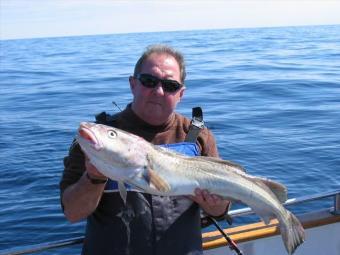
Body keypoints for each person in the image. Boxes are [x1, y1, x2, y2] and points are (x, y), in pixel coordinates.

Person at [60, 44, 230, 255]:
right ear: (133, 84)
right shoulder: (96, 139)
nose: (158, 91)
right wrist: (93, 178)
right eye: (149, 81)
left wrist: (214, 204)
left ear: (181, 94)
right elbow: (73, 213)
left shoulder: (198, 136)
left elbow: (221, 210)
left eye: (170, 85)